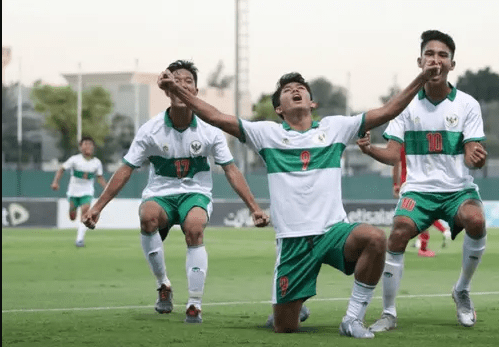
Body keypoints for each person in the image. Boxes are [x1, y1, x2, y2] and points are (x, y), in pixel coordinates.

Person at [157, 61, 440, 338]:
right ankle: (291, 307)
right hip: (293, 242)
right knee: (285, 327)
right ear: (279, 108)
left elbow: (388, 110)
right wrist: (179, 91)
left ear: (311, 102)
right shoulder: (266, 134)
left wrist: (421, 78)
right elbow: (216, 117)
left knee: (376, 238)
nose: (296, 90)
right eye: (288, 89)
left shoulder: (335, 128)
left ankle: (353, 319)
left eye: (301, 88)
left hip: (333, 231)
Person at [82, 60, 269, 324]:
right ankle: (163, 286)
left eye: (188, 81)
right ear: (167, 90)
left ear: (196, 91)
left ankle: (194, 304)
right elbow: (125, 169)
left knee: (194, 226)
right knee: (147, 216)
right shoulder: (150, 130)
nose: (182, 84)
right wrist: (97, 207)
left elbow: (231, 170)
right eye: (176, 80)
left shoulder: (210, 130)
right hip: (160, 193)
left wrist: (255, 208)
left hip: (196, 193)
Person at [354, 30, 488, 331]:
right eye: (430, 54)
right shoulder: (405, 105)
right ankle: (388, 312)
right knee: (398, 233)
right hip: (419, 189)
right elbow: (392, 155)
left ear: (452, 65)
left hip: (458, 189)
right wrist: (368, 149)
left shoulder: (467, 104)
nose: (436, 60)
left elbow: (471, 154)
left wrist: (477, 158)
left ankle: (462, 290)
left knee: (476, 221)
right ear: (420, 61)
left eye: (443, 55)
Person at [359, 133, 451, 257]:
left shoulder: (403, 143)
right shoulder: (420, 143)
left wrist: (395, 184)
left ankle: (414, 245)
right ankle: (421, 246)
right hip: (416, 183)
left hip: (407, 184)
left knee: (414, 214)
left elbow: (396, 163)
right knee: (423, 213)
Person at [51, 136, 107, 247]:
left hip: (87, 192)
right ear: (81, 147)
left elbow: (99, 177)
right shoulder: (74, 159)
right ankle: (72, 210)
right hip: (73, 192)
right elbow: (61, 169)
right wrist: (55, 182)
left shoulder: (96, 162)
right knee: (72, 217)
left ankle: (79, 239)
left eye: (90, 144)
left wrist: (107, 190)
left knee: (85, 213)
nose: (88, 146)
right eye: (85, 144)